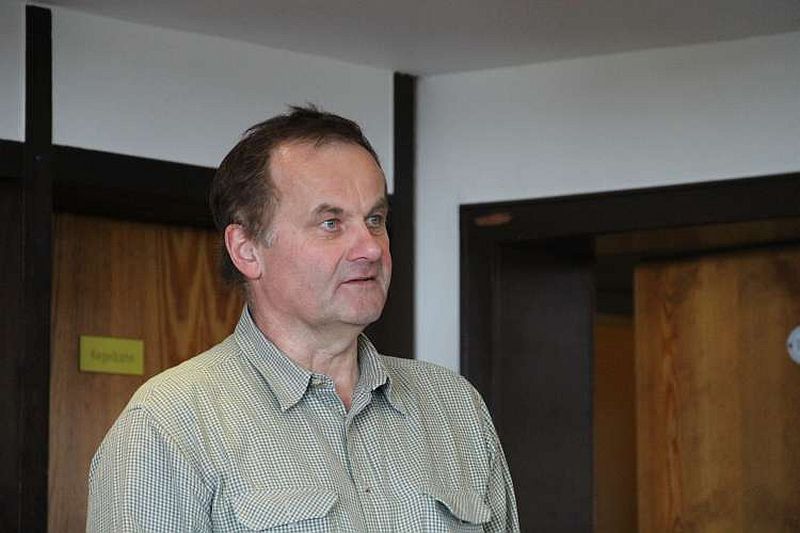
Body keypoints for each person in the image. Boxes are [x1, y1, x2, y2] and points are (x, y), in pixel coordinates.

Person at [87, 106, 519, 532]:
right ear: (247, 250)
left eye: (375, 219)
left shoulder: (455, 407)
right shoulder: (170, 425)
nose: (370, 248)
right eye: (331, 223)